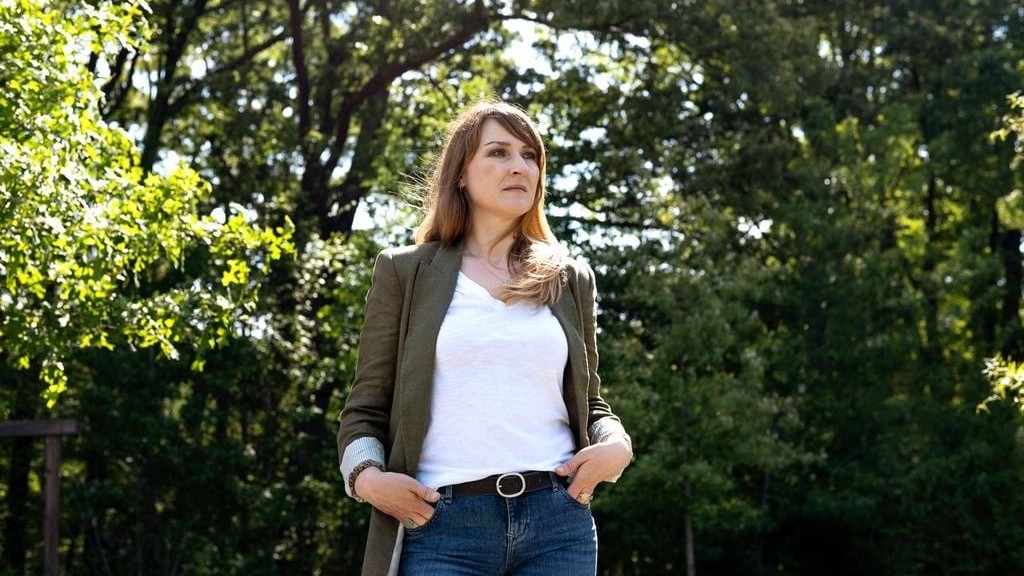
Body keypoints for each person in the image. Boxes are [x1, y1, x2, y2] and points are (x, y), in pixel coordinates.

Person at [337, 100, 633, 576]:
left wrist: (616, 445)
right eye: (498, 152)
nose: (519, 166)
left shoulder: (569, 277)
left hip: (558, 525)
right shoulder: (405, 272)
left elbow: (592, 404)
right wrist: (366, 479)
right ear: (461, 175)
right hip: (438, 525)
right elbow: (366, 408)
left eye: (530, 155)